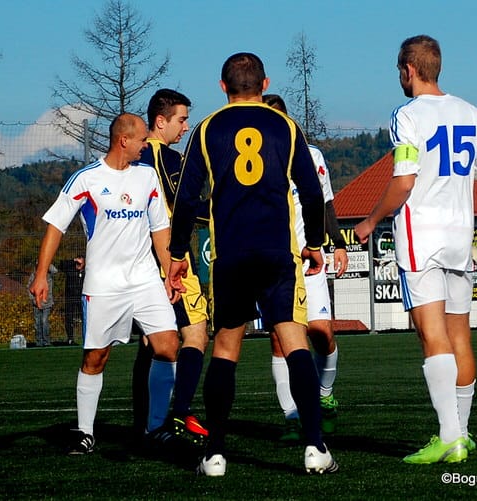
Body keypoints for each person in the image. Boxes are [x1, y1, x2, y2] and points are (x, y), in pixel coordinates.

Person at [169, 52, 338, 476]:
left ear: (222, 87)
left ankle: (215, 455)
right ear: (265, 84)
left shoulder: (207, 129)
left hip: (230, 254)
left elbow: (187, 198)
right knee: (293, 339)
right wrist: (316, 242)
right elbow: (312, 192)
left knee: (226, 347)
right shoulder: (285, 125)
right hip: (278, 251)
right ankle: (315, 447)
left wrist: (176, 255)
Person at [354, 35, 477, 464]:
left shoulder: (407, 115)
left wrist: (369, 221)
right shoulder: (470, 112)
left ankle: (448, 436)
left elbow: (404, 181)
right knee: (460, 333)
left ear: (408, 70)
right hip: (461, 236)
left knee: (431, 334)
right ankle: (461, 432)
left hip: (421, 236)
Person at [30, 113, 180, 455]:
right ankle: (85, 432)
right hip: (104, 284)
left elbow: (160, 230)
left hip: (144, 280)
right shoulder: (86, 179)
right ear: (123, 140)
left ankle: (156, 427)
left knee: (169, 345)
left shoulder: (148, 177)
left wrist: (169, 270)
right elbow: (56, 226)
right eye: (143, 139)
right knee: (96, 357)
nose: (147, 145)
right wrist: (41, 274)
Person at [261, 94, 348, 441]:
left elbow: (325, 202)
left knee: (321, 331)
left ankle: (324, 396)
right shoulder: (251, 162)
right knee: (280, 339)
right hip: (272, 260)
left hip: (309, 259)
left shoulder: (311, 156)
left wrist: (337, 243)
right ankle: (292, 415)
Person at [131, 88, 209, 444]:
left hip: (137, 261)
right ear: (160, 122)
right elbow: (186, 206)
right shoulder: (166, 158)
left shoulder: (129, 157)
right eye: (181, 119)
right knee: (196, 333)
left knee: (153, 341)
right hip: (172, 260)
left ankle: (146, 422)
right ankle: (180, 413)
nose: (186, 126)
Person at [28, 261, 58, 347]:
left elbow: (55, 271)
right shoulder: (33, 276)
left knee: (45, 322)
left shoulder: (49, 274)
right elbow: (29, 288)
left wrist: (46, 263)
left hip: (47, 303)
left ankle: (46, 341)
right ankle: (39, 342)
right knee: (37, 323)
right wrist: (33, 300)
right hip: (36, 303)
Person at [61, 256, 85, 345]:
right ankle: (70, 338)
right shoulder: (70, 270)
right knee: (69, 318)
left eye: (81, 263)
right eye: (78, 263)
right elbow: (61, 265)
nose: (79, 265)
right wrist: (73, 260)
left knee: (84, 317)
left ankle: (85, 336)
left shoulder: (86, 272)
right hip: (70, 297)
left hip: (81, 297)